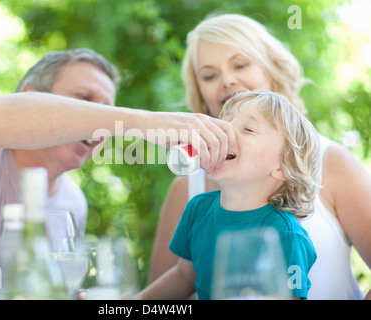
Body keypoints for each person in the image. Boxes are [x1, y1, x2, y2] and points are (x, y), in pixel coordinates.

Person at [0, 48, 236, 286]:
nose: (100, 124)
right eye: (83, 101)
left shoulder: (73, 203)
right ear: (28, 98)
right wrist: (146, 123)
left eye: (106, 111)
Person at [148, 14, 371, 300]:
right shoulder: (189, 192)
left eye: (241, 64)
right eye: (209, 75)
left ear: (272, 70)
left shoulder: (333, 162)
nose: (226, 80)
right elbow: (174, 283)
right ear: (201, 94)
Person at [138, 90, 320, 300]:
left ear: (284, 167)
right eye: (224, 123)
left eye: (248, 129)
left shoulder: (285, 235)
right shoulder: (197, 209)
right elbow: (185, 275)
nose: (224, 132)